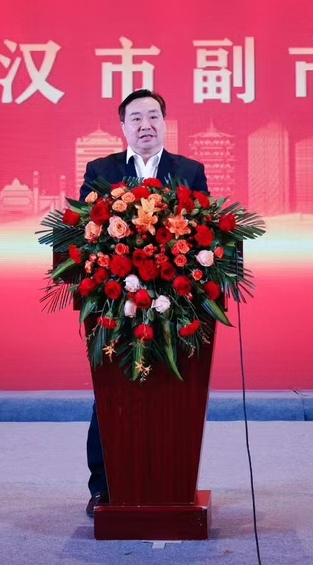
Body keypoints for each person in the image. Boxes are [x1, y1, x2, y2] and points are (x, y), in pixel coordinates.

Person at [78, 88, 208, 515]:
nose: (145, 125)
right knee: (112, 395)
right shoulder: (101, 170)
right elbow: (83, 233)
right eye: (136, 118)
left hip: (177, 305)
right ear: (123, 127)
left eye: (153, 116)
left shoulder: (189, 171)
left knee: (173, 390)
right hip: (115, 303)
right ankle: (105, 487)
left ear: (165, 123)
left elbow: (207, 232)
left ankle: (173, 483)